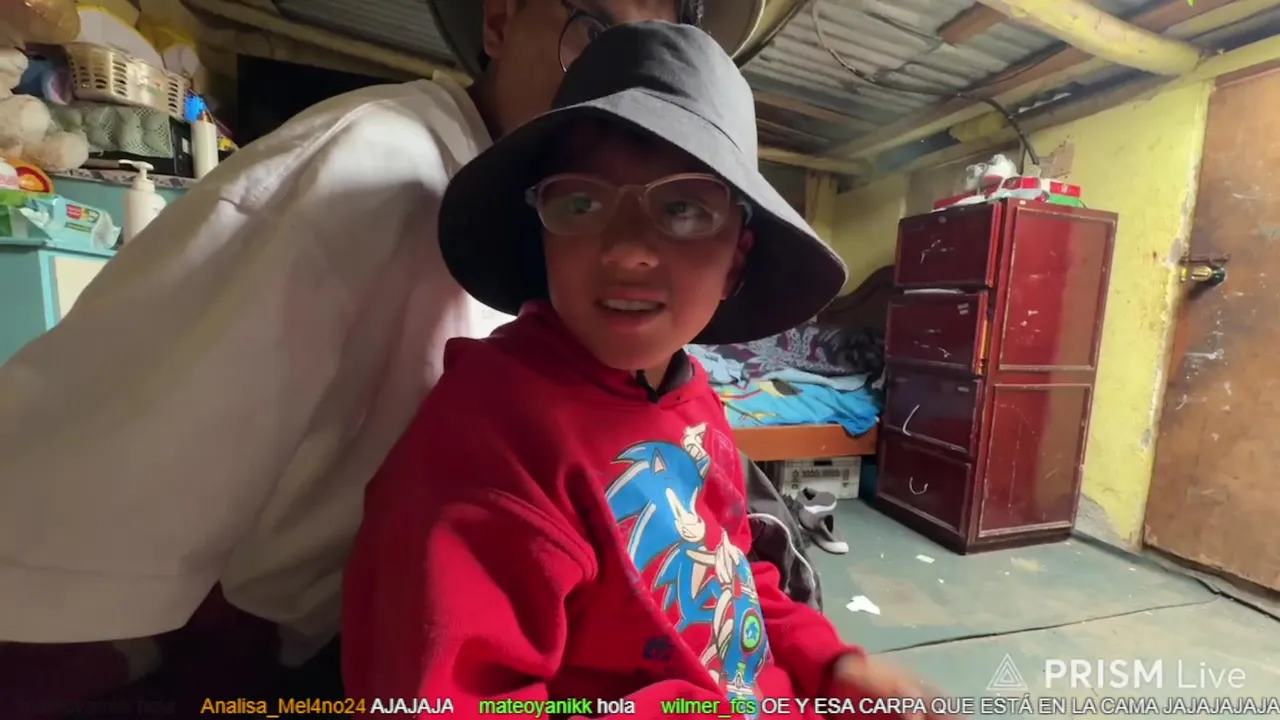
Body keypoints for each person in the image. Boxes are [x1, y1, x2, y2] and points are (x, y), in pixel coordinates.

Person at [0, 0, 762, 703]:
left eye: (683, 208)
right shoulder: (367, 168)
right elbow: (71, 541)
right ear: (501, 20)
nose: (630, 85)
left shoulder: (633, 356)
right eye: (596, 35)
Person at [343, 21, 943, 720]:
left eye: (683, 208)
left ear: (736, 261)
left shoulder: (690, 394)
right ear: (544, 235)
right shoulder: (491, 441)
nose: (627, 250)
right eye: (582, 202)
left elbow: (735, 571)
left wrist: (834, 664)